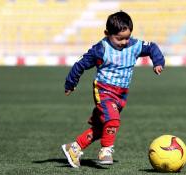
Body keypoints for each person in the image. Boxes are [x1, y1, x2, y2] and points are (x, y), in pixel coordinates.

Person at [61, 11, 165, 168]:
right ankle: (106, 150)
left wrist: (158, 62)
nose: (124, 42)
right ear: (107, 34)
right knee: (113, 120)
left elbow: (152, 47)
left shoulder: (134, 46)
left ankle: (73, 148)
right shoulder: (100, 49)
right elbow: (80, 64)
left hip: (121, 95)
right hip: (104, 90)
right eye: (119, 38)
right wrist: (70, 83)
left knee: (103, 127)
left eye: (127, 37)